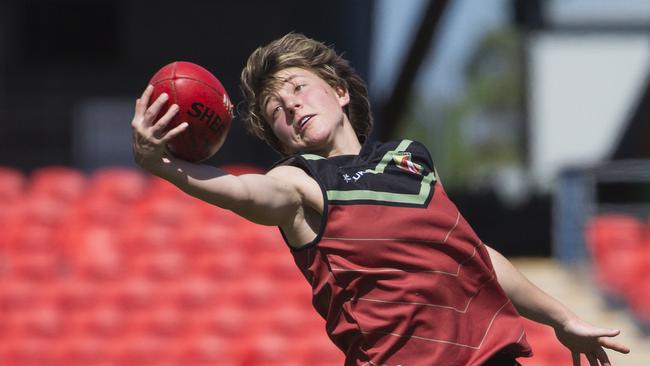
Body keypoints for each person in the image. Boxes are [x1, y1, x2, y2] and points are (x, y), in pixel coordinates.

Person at [131, 33, 630, 366]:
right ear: (283, 142)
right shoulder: (300, 182)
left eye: (299, 89)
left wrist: (563, 318)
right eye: (278, 110)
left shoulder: (411, 159)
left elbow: (474, 257)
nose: (293, 106)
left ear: (340, 92)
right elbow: (242, 190)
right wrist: (164, 165)